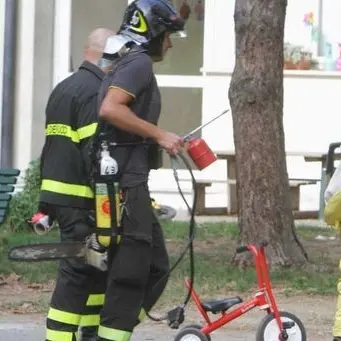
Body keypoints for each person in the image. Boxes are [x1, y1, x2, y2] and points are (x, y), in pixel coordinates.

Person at [92, 0, 186, 340]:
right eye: (169, 35)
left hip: (129, 183)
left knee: (156, 266)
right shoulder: (139, 63)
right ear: (153, 32)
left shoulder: (124, 62)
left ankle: (111, 329)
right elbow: (110, 109)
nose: (171, 43)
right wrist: (160, 134)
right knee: (132, 274)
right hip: (126, 186)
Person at [39, 27, 115, 341]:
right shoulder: (94, 91)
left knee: (96, 268)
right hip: (81, 199)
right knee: (76, 274)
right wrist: (108, 198)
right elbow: (94, 153)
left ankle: (91, 333)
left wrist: (44, 204)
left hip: (59, 195)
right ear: (106, 55)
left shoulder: (64, 87)